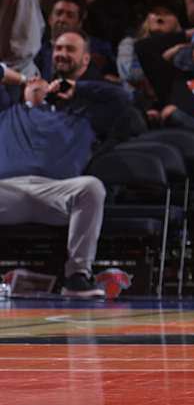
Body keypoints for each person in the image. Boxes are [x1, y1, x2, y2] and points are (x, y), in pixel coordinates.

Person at [0, 51, 137, 298]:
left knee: (92, 186)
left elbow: (123, 97)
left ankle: (76, 277)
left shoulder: (81, 116)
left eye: (39, 79)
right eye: (32, 81)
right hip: (7, 189)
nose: (34, 81)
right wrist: (22, 79)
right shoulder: (8, 111)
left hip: (57, 191)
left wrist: (78, 88)